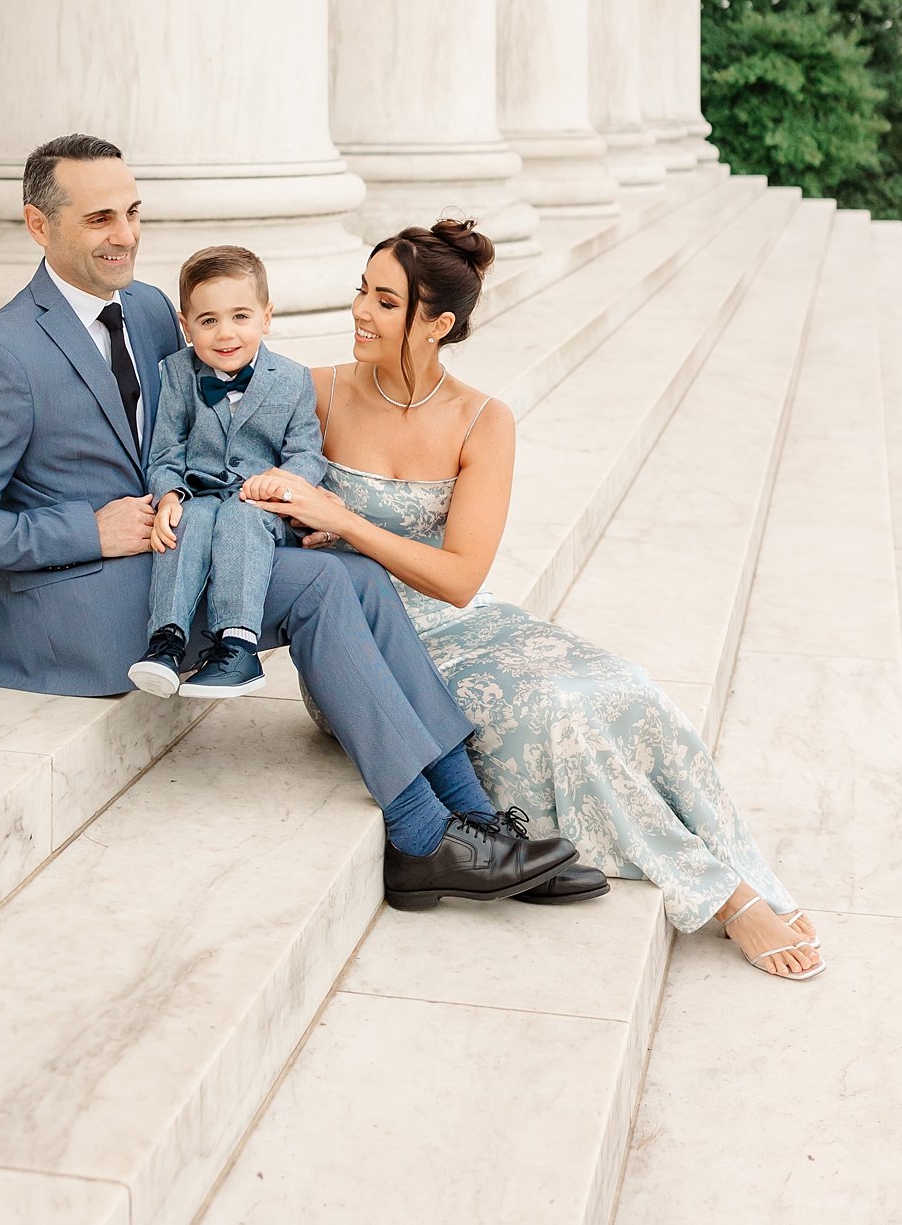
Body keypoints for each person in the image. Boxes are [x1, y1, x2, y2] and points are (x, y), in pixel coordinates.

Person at [0, 134, 590, 912]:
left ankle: (470, 817)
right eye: (99, 218)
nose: (125, 235)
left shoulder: (148, 308)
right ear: (39, 225)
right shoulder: (3, 353)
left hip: (180, 550)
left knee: (357, 570)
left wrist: (285, 498)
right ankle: (420, 833)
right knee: (322, 591)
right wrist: (88, 531)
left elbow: (218, 410)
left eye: (131, 213)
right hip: (80, 599)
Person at [243, 218, 826, 978]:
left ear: (437, 325)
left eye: (386, 302)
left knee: (627, 688)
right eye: (363, 290)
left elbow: (460, 580)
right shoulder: (315, 393)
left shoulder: (483, 420)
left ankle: (751, 872)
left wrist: (344, 519)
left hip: (465, 624)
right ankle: (726, 897)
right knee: (561, 715)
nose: (360, 311)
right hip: (364, 651)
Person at [130, 244, 326, 701]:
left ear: (266, 316)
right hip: (198, 496)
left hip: (258, 506)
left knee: (238, 519)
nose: (226, 334)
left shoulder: (293, 379)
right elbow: (165, 451)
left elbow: (308, 454)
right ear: (186, 325)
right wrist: (169, 495)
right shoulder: (176, 373)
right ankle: (166, 642)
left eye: (241, 316)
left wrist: (282, 481)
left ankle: (238, 648)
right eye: (208, 320)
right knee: (187, 521)